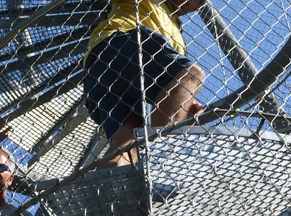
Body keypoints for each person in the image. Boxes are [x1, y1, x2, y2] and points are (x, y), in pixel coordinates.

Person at [84, 0, 206, 168]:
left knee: (127, 144)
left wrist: (187, 104)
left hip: (98, 72)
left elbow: (173, 85)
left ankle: (107, 182)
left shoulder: (179, 39)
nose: (195, 4)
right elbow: (184, 76)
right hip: (123, 41)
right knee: (194, 74)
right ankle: (159, 157)